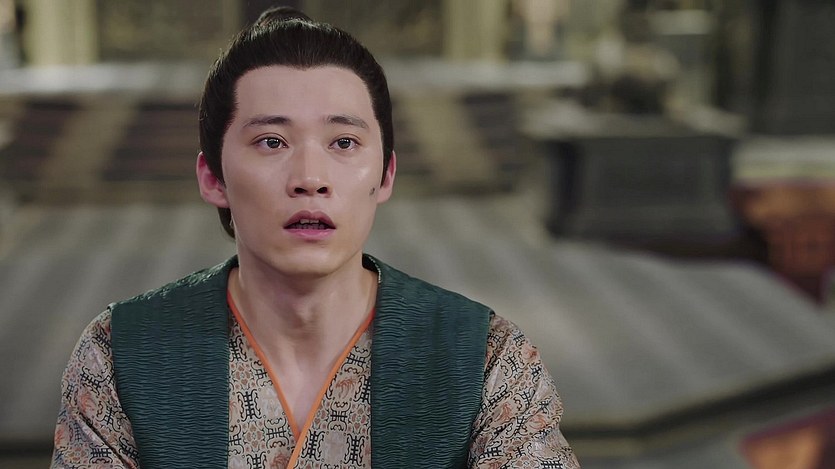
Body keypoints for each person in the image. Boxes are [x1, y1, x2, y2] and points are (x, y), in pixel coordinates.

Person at [51, 7, 580, 468]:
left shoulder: (486, 356)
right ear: (213, 178)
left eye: (343, 142)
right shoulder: (121, 354)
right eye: (271, 141)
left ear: (386, 175)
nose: (310, 177)